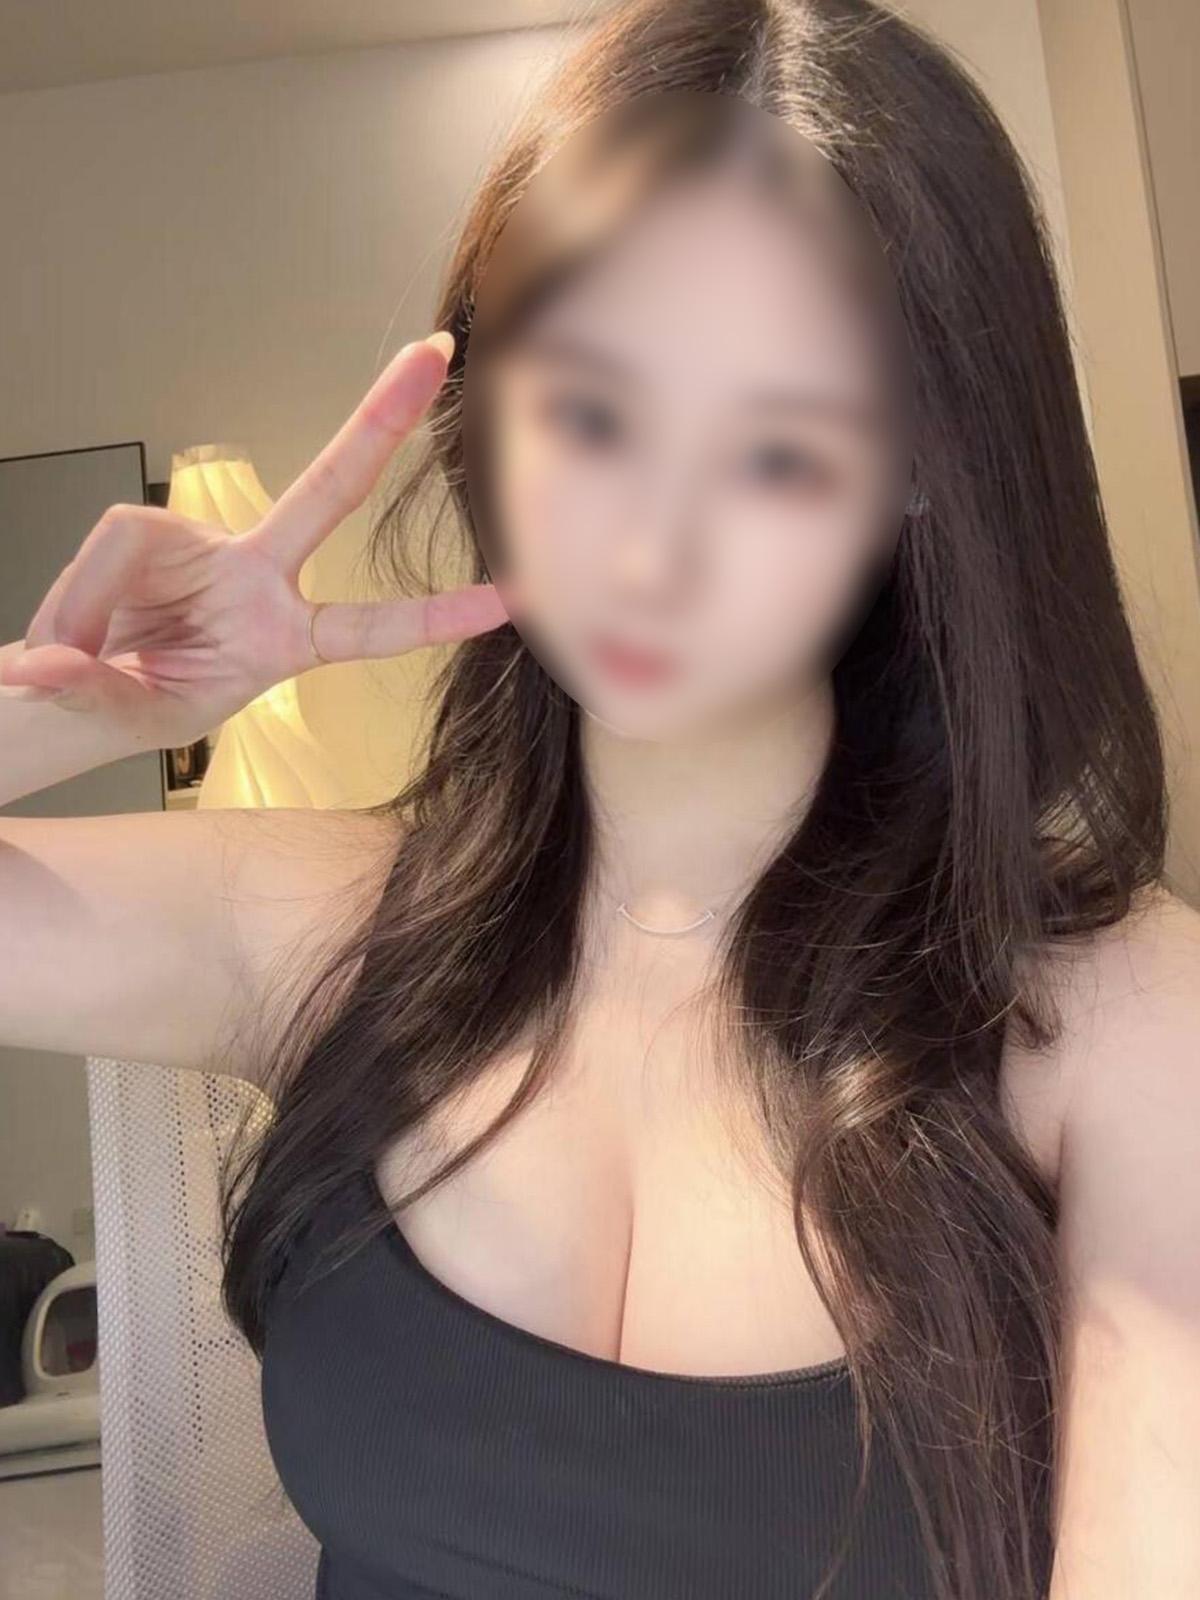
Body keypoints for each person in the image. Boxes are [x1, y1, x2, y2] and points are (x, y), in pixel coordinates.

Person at [3, 2, 1198, 1598]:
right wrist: (69, 712)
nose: (650, 547)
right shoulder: (322, 924)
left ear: (918, 470)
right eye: (590, 414)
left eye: (774, 451)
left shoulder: (1119, 1017)